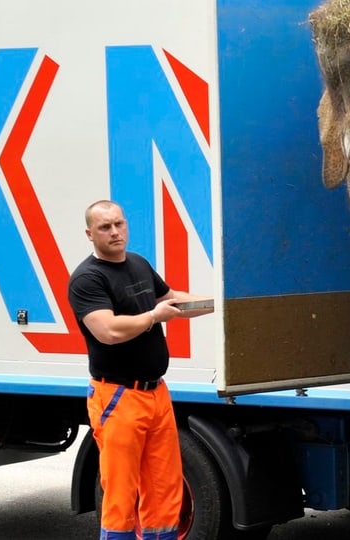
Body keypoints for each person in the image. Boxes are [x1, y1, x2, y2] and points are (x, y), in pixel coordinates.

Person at [68, 200, 213, 540]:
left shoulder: (138, 264)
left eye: (119, 223)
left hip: (155, 393)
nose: (115, 232)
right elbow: (108, 331)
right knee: (120, 495)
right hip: (117, 397)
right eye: (105, 227)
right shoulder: (87, 279)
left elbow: (172, 300)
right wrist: (152, 317)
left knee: (164, 490)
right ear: (90, 234)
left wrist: (221, 303)